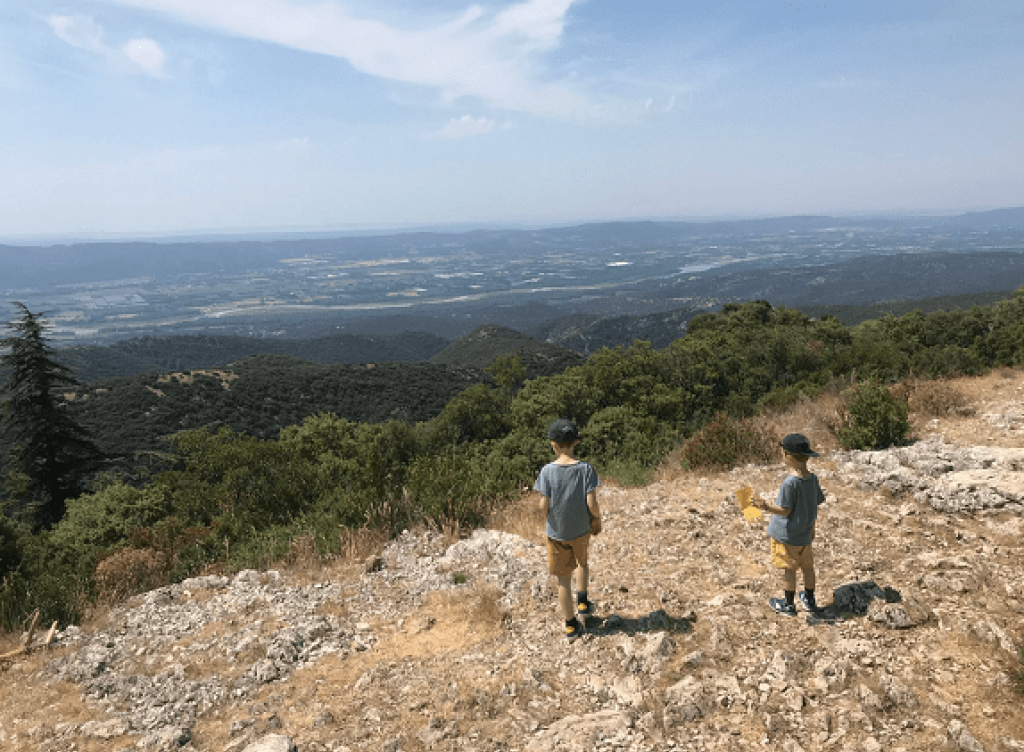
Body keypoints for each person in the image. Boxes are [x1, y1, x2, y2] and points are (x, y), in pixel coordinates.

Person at [534, 419, 602, 640]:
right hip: (581, 530)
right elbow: (591, 503)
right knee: (582, 562)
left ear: (553, 444)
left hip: (557, 534)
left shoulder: (547, 472)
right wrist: (596, 520)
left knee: (563, 579)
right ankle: (583, 602)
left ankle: (571, 625)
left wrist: (548, 521)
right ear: (576, 442)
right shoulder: (586, 469)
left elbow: (543, 505)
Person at [752, 433, 826, 616]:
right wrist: (812, 529)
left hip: (787, 537)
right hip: (805, 535)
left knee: (789, 570)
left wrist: (765, 505)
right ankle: (809, 599)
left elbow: (785, 510)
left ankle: (788, 605)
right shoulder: (812, 479)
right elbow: (815, 503)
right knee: (808, 568)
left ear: (789, 456)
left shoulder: (790, 483)